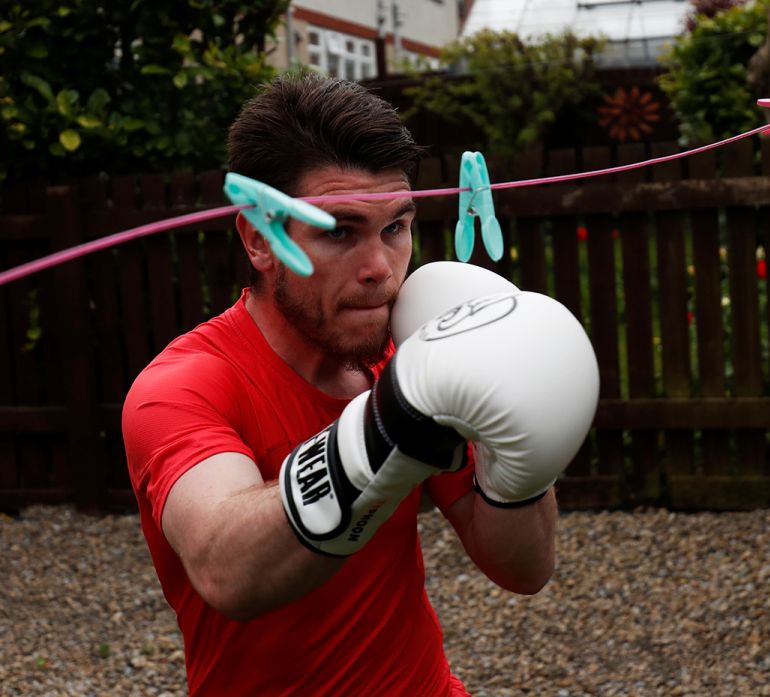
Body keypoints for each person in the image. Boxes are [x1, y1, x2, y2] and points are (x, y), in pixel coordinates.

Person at [122, 73, 598, 696]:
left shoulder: (408, 350)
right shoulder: (183, 387)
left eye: (394, 228)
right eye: (339, 231)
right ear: (259, 239)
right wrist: (390, 425)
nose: (379, 270)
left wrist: (521, 477)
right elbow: (226, 569)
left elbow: (523, 569)